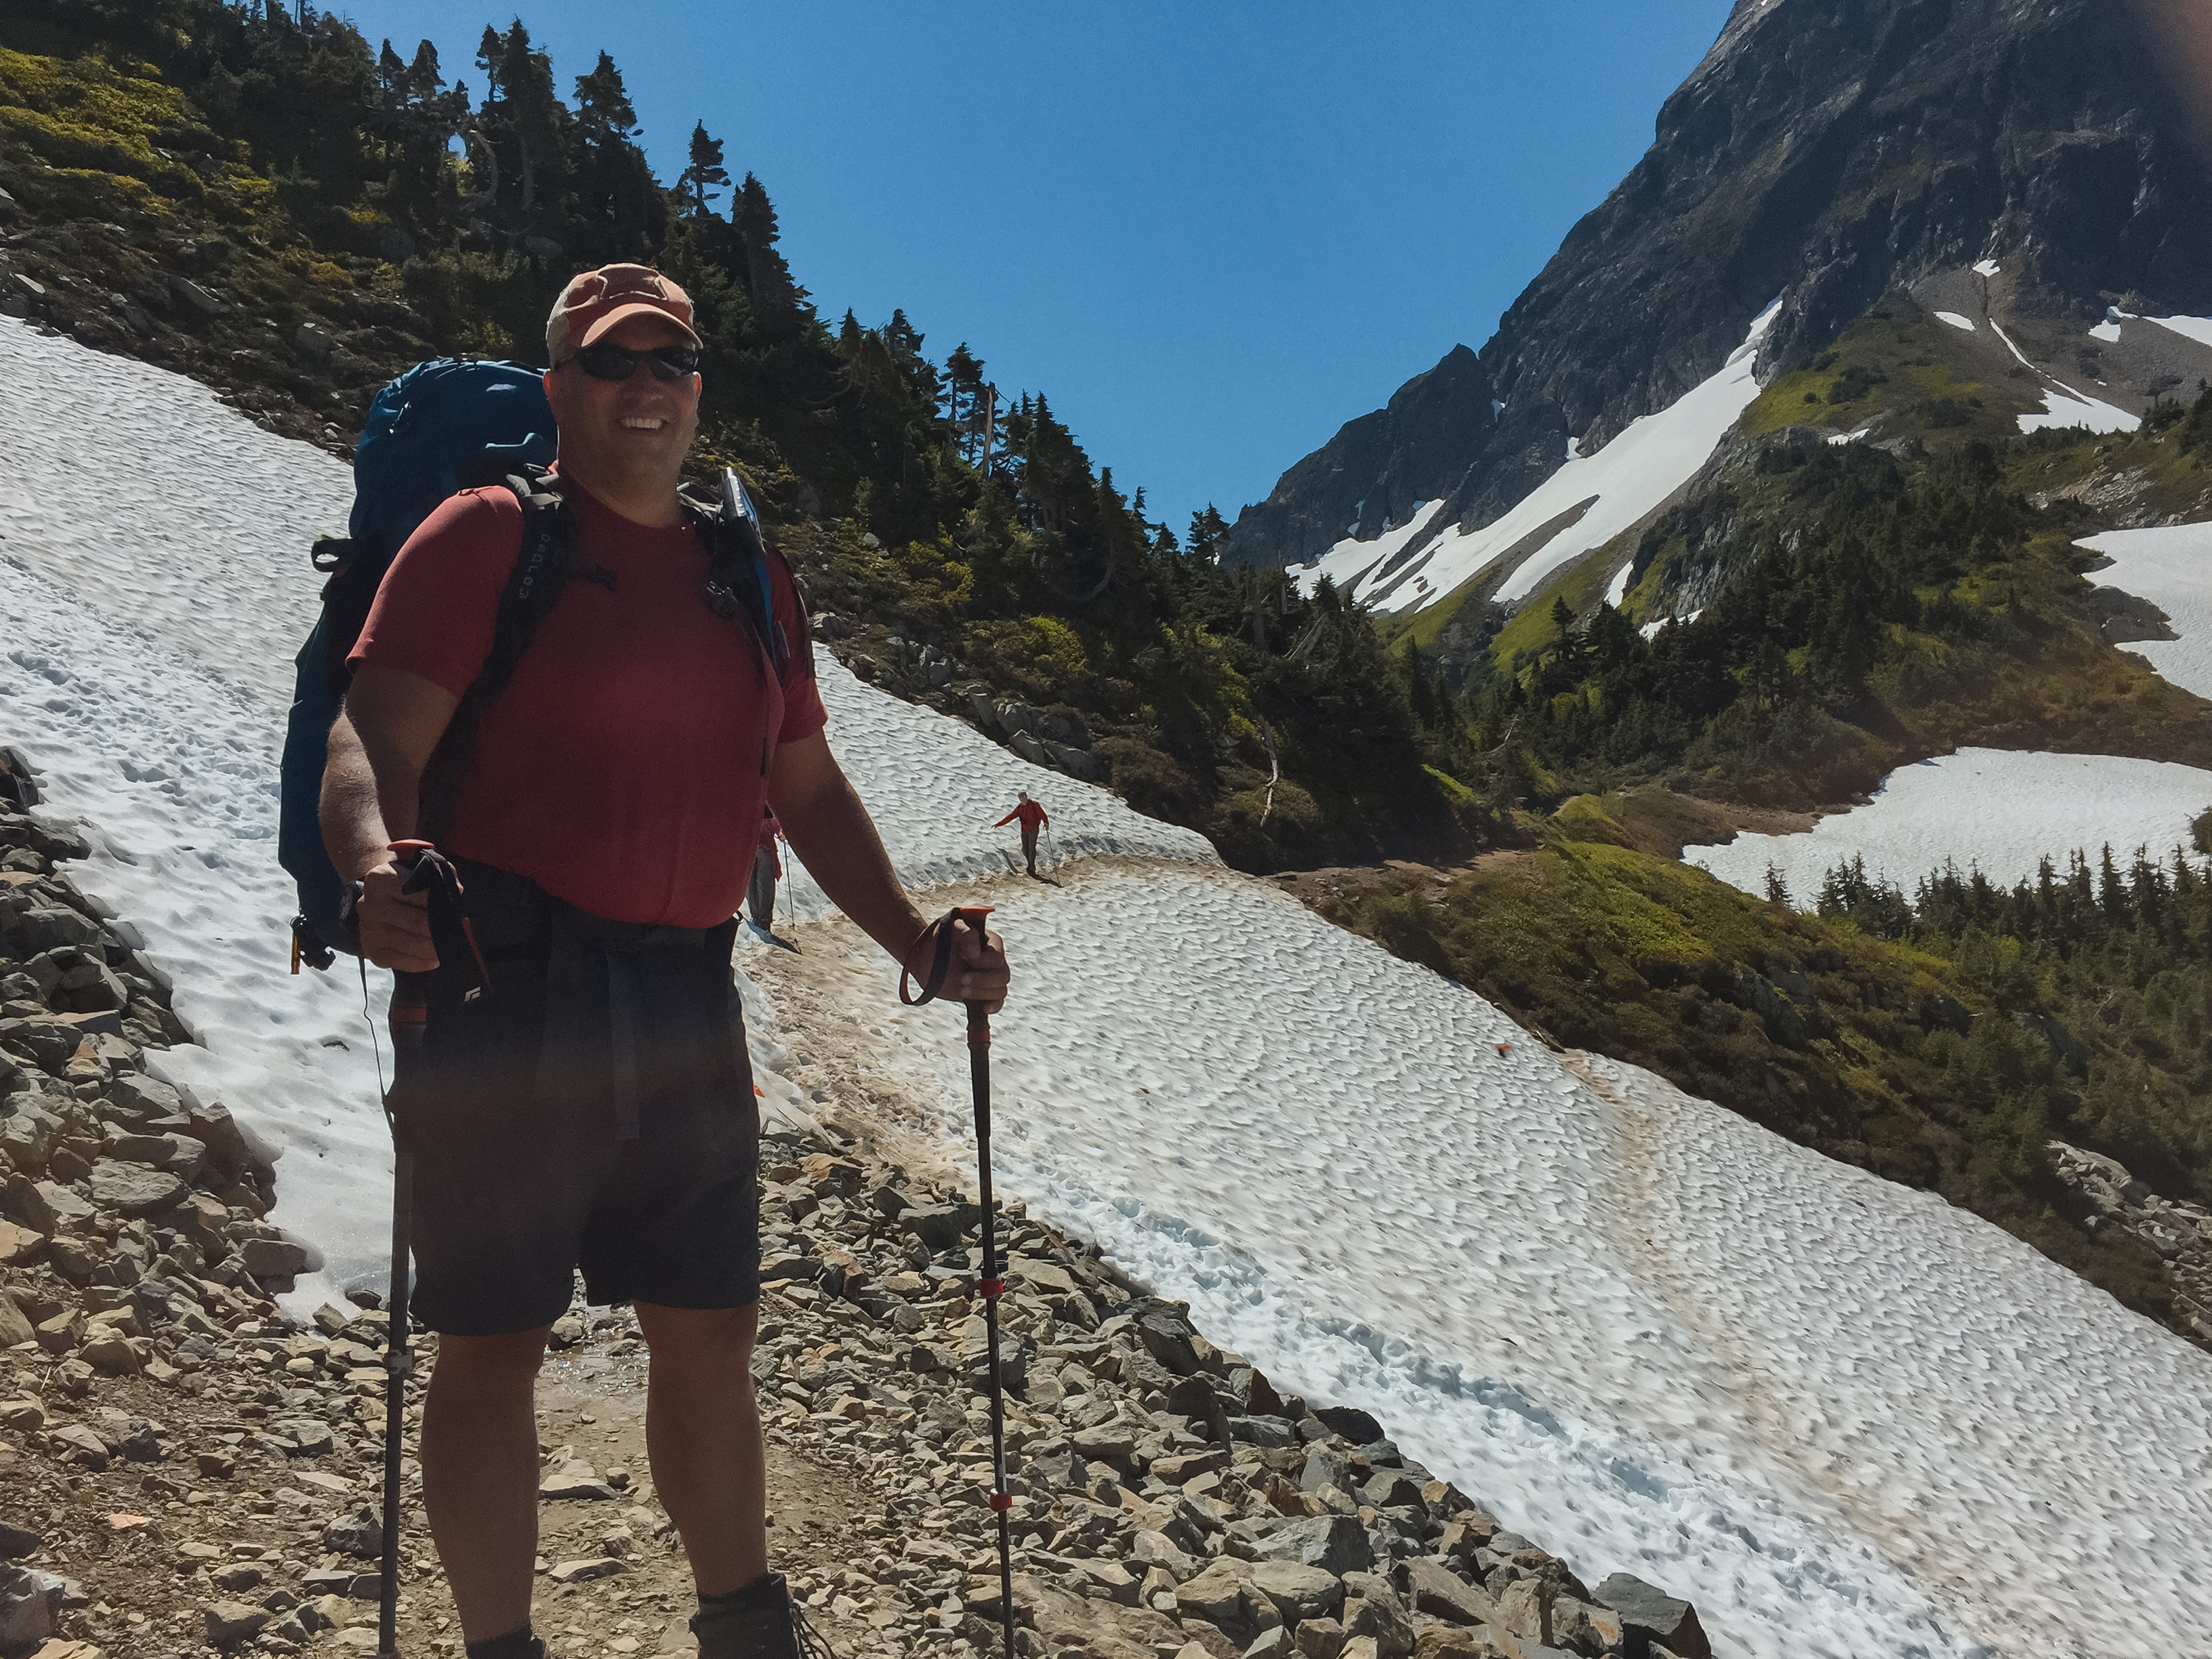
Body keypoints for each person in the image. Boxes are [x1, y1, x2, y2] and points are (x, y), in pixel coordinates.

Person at [319, 262, 1008, 1659]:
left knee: (709, 1331)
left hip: (688, 996)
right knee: (493, 1344)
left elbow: (804, 788)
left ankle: (743, 1625)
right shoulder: (480, 536)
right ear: (560, 387)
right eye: (617, 361)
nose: (650, 387)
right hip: (500, 984)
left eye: (674, 362)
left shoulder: (746, 572)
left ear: (699, 388)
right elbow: (368, 736)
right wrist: (371, 864)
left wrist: (921, 946)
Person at [994, 790, 1050, 876]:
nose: (1024, 799)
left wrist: (1046, 823)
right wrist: (1000, 824)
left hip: (1033, 829)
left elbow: (1042, 814)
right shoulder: (1020, 808)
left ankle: (1032, 867)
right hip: (1025, 830)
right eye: (1022, 797)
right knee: (1025, 848)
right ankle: (1030, 864)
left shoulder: (1034, 805)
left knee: (1032, 848)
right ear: (1020, 799)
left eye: (1025, 797)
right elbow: (1011, 816)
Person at [748, 806, 782, 933]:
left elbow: (776, 825)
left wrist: (780, 832)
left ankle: (761, 918)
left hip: (758, 850)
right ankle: (760, 918)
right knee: (757, 883)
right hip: (756, 849)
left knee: (760, 882)